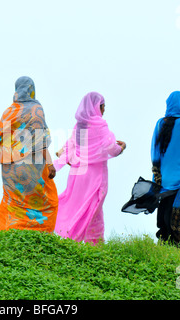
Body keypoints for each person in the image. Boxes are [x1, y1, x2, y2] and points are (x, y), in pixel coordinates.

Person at [0, 76, 58, 232]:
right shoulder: (36, 110)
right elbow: (40, 140)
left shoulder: (8, 112)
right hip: (34, 166)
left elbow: (4, 141)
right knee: (42, 201)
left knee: (15, 201)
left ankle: (9, 231)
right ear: (32, 89)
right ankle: (37, 232)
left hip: (11, 168)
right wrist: (50, 163)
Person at [53, 92, 126, 244]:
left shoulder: (79, 125)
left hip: (78, 175)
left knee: (84, 207)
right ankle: (73, 240)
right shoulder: (100, 125)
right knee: (90, 208)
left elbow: (70, 145)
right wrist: (121, 148)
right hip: (94, 176)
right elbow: (109, 147)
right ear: (97, 107)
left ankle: (96, 244)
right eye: (103, 106)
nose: (104, 110)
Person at [151, 91, 180, 246]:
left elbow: (155, 150)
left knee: (164, 207)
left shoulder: (160, 123)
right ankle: (175, 245)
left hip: (162, 177)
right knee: (177, 208)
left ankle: (163, 242)